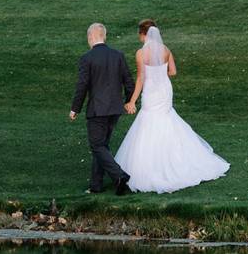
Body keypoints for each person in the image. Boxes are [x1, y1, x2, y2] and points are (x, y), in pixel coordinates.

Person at [115, 20, 230, 193]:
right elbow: (173, 72)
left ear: (142, 34)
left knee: (149, 121)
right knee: (166, 118)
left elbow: (140, 78)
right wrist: (161, 72)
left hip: (152, 91)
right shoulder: (166, 50)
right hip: (164, 90)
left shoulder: (141, 53)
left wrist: (131, 101)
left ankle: (152, 166)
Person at [70, 23, 135, 195]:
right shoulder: (118, 55)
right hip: (115, 108)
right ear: (104, 36)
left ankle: (119, 176)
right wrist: (129, 101)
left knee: (97, 146)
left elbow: (82, 85)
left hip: (98, 109)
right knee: (102, 146)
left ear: (91, 37)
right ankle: (96, 185)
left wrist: (75, 108)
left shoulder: (87, 58)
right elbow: (129, 81)